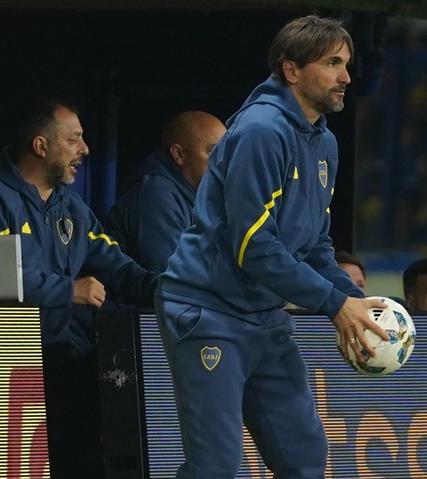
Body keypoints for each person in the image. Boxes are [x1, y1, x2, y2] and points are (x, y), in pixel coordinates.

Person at [154, 15, 389, 478]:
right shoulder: (262, 131)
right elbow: (254, 247)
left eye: (347, 64)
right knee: (215, 467)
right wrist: (333, 304)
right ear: (292, 70)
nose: (346, 76)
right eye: (333, 63)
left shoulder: (325, 142)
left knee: (303, 458)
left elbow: (315, 244)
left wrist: (354, 301)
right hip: (208, 312)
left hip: (263, 317)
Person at [0, 98, 157, 478]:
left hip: (67, 360)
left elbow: (117, 266)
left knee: (75, 460)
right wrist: (69, 290)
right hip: (2, 370)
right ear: (40, 146)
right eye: (74, 139)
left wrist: (167, 288)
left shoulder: (71, 207)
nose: (85, 149)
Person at [104, 111, 226, 272]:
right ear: (178, 155)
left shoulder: (202, 194)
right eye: (213, 152)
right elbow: (172, 277)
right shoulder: (155, 194)